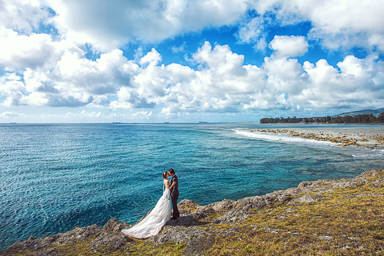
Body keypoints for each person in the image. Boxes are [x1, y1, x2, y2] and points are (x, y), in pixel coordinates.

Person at [121, 171, 174, 239]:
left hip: (165, 193)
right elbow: (168, 188)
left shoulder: (164, 180)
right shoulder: (167, 181)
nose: (168, 174)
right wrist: (172, 184)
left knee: (163, 205)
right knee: (166, 203)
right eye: (167, 173)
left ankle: (164, 215)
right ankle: (164, 217)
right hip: (167, 193)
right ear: (166, 175)